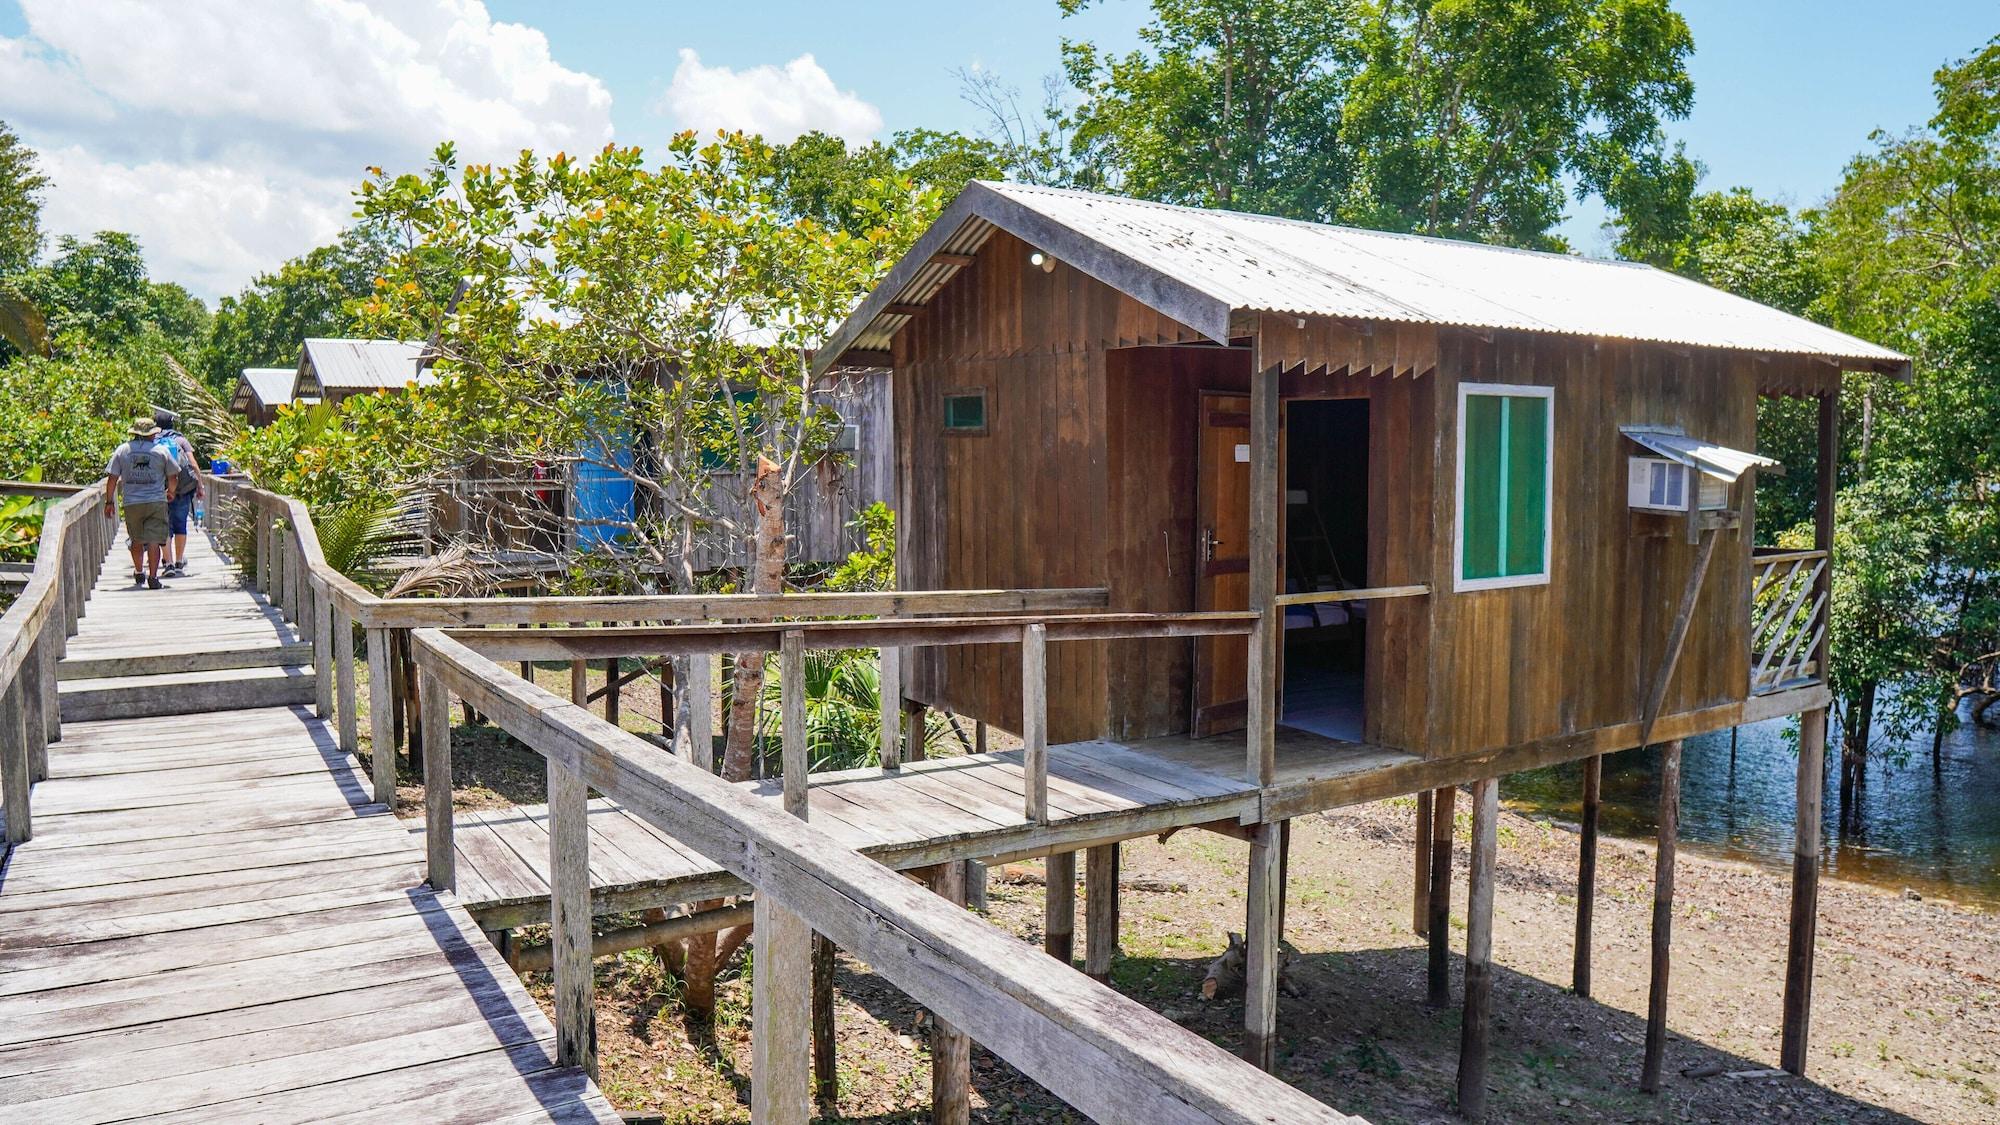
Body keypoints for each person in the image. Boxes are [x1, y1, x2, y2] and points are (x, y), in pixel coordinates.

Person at [103, 417, 180, 590]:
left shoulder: (122, 450)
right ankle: (153, 577)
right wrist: (171, 492)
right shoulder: (161, 450)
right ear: (152, 434)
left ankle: (139, 571)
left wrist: (109, 502)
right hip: (156, 501)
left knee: (136, 538)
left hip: (132, 503)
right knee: (154, 540)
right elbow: (173, 476)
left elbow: (112, 478)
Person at [153, 408, 200, 576]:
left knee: (164, 526)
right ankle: (179, 561)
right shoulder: (181, 440)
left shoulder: (153, 441)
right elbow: (193, 464)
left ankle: (169, 563)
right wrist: (200, 485)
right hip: (182, 489)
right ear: (172, 423)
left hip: (160, 490)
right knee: (181, 524)